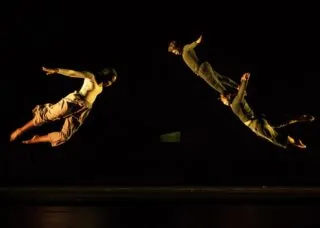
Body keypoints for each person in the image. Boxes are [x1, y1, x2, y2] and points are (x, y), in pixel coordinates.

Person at [9, 66, 117, 147]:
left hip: (84, 110)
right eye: (110, 80)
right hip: (73, 102)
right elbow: (73, 73)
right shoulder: (91, 77)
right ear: (105, 75)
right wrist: (57, 70)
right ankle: (20, 130)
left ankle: (36, 139)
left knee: (65, 136)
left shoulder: (101, 87)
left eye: (112, 82)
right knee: (46, 116)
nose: (110, 83)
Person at [219, 72, 315, 149]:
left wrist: (244, 81)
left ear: (228, 98)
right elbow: (241, 93)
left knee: (275, 138)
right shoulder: (236, 102)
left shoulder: (235, 103)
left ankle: (295, 142)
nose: (222, 102)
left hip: (256, 124)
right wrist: (240, 85)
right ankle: (300, 117)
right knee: (280, 121)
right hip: (260, 118)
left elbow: (240, 94)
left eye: (223, 100)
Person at [168, 35, 240, 96]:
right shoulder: (184, 53)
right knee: (219, 78)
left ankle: (229, 96)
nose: (175, 53)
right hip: (202, 68)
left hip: (202, 69)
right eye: (173, 52)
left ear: (177, 47)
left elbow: (191, 46)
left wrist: (197, 42)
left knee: (215, 84)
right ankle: (236, 86)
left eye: (174, 51)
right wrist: (196, 72)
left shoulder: (185, 49)